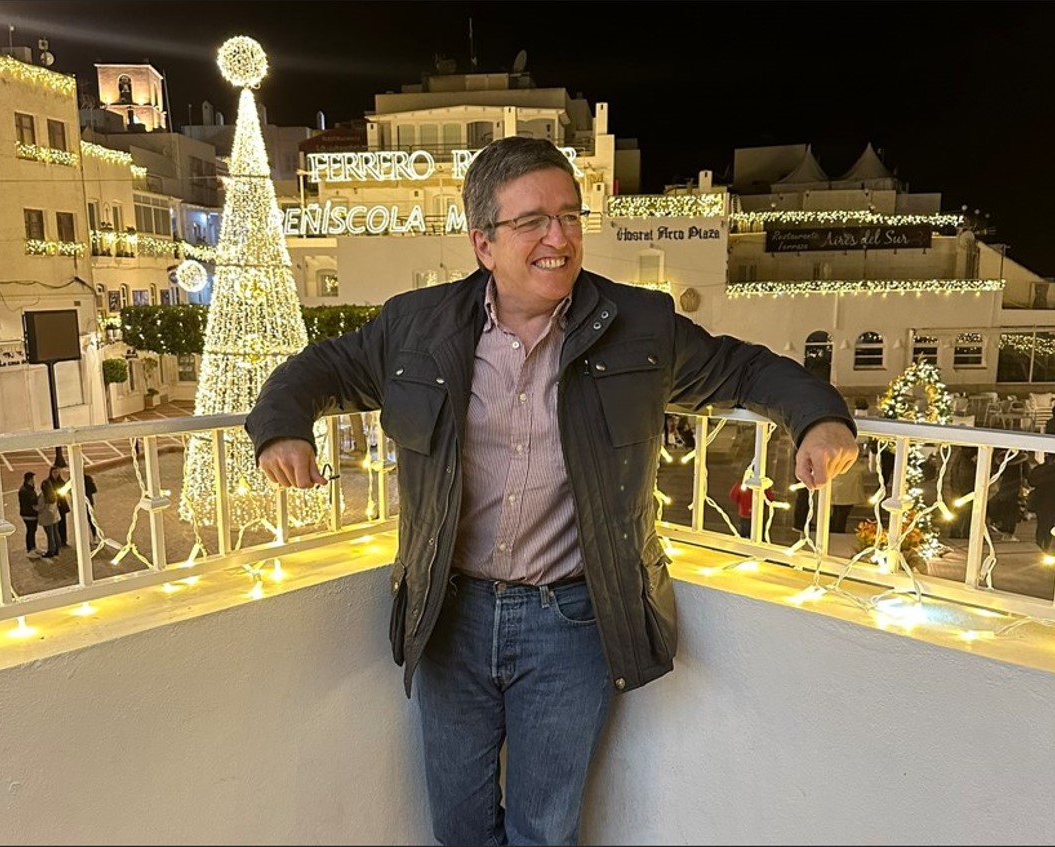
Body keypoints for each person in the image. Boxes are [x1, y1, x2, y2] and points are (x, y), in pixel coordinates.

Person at [244, 136, 859, 846]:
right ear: (483, 242)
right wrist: (282, 430)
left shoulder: (639, 327)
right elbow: (318, 370)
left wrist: (818, 418)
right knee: (458, 828)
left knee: (545, 829)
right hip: (448, 615)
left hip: (571, 620)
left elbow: (744, 369)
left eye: (569, 216)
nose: (559, 239)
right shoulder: (415, 326)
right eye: (532, 221)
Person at [1027, 417, 1055, 552]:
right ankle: (1045, 548)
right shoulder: (1044, 470)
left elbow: (1032, 481)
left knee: (1044, 526)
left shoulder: (1041, 470)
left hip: (1043, 503)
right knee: (1045, 526)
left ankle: (1044, 547)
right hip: (1046, 503)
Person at [829, 449, 866, 533]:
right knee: (842, 515)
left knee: (836, 513)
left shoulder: (835, 463)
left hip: (836, 493)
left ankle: (834, 530)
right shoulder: (853, 465)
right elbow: (866, 469)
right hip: (847, 495)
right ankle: (838, 530)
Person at [37, 466, 62, 559]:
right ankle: (57, 549)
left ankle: (51, 551)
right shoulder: (53, 494)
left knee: (50, 534)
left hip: (47, 518)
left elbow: (40, 507)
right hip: (55, 516)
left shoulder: (43, 496)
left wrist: (33, 507)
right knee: (55, 532)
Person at [17, 471, 41, 559]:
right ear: (29, 480)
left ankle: (33, 547)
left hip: (30, 514)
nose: (34, 481)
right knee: (30, 531)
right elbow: (31, 502)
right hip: (29, 514)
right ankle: (30, 549)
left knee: (32, 531)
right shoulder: (25, 491)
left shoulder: (29, 489)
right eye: (32, 479)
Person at [84, 472, 99, 543]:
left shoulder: (88, 479)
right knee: (84, 521)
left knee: (90, 519)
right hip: (81, 503)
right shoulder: (87, 478)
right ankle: (86, 537)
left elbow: (94, 489)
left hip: (88, 502)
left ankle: (94, 535)